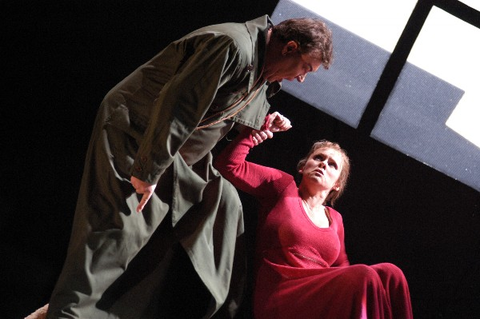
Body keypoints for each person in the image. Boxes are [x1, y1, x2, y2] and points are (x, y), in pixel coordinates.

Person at [42, 15, 334, 319]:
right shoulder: (232, 46)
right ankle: (68, 313)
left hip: (184, 154)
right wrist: (147, 170)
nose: (300, 79)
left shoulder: (264, 66)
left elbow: (231, 105)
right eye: (305, 69)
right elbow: (178, 106)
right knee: (114, 234)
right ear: (289, 47)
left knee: (224, 204)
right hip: (138, 137)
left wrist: (262, 123)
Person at [214, 112, 414, 318]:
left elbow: (342, 268)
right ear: (303, 167)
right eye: (318, 158)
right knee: (364, 275)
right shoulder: (282, 186)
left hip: (319, 292)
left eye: (332, 164)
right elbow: (229, 165)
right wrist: (256, 132)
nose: (323, 164)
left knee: (392, 274)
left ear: (337, 184)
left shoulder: (335, 219)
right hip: (282, 291)